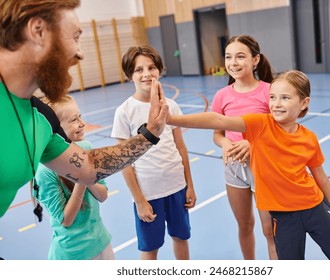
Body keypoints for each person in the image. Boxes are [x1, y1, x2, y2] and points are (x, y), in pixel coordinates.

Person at [0, 0, 168, 219]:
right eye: (76, 37)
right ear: (38, 30)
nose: (80, 54)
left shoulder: (41, 117)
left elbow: (87, 168)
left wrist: (150, 132)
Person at [165, 70, 330, 260]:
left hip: (316, 208)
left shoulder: (309, 138)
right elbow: (218, 119)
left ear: (304, 103)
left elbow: (321, 177)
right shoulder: (260, 125)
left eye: (285, 98)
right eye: (272, 97)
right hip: (283, 218)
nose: (276, 104)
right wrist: (171, 119)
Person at [111, 45, 196, 260]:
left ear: (160, 70)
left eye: (151, 68)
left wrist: (190, 186)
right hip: (149, 194)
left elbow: (181, 147)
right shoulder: (124, 112)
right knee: (150, 248)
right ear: (130, 75)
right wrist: (139, 200)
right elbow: (124, 162)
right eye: (139, 69)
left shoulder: (171, 106)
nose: (146, 74)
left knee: (181, 238)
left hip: (177, 187)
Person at [212, 35, 277, 260]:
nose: (234, 63)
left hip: (264, 167)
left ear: (255, 60)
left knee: (269, 231)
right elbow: (217, 134)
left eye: (241, 56)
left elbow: (281, 131)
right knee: (245, 225)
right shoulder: (222, 96)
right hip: (234, 169)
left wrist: (253, 143)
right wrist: (225, 143)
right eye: (229, 57)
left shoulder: (270, 91)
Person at [34, 95, 114, 260]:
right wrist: (81, 177)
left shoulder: (86, 148)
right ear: (56, 128)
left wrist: (86, 173)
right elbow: (66, 220)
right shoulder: (45, 170)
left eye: (80, 116)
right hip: (74, 254)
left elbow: (103, 195)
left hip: (101, 243)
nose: (82, 123)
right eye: (73, 120)